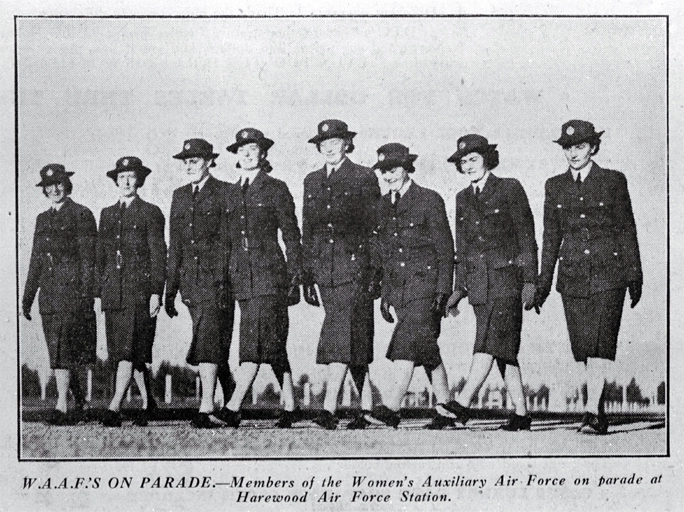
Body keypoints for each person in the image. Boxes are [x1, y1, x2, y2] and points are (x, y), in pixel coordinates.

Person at [535, 120, 642, 435]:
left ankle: (593, 412)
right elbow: (551, 237)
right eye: (568, 147)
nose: (573, 153)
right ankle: (595, 406)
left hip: (610, 275)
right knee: (583, 348)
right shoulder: (554, 185)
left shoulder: (612, 181)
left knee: (600, 344)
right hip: (572, 278)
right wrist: (543, 283)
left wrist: (634, 275)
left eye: (580, 146)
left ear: (593, 147)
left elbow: (626, 229)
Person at [445, 134, 538, 431]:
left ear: (487, 159)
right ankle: (522, 414)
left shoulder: (509, 188)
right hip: (480, 285)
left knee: (487, 343)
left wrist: (530, 281)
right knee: (502, 350)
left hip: (507, 281)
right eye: (463, 162)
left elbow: (526, 238)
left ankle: (461, 404)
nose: (468, 166)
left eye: (473, 159)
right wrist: (459, 288)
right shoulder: (462, 198)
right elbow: (463, 247)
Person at [214, 128, 302, 428]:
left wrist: (295, 274)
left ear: (263, 154)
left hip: (270, 276)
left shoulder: (276, 188)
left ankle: (233, 406)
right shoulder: (229, 192)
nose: (248, 154)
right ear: (236, 156)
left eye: (253, 149)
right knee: (272, 341)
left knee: (254, 341)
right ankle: (290, 405)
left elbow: (291, 234)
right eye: (242, 150)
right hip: (241, 276)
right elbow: (225, 239)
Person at [365, 143, 456, 429]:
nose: (388, 176)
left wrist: (444, 291)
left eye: (393, 169)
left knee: (406, 342)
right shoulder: (381, 205)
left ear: (407, 168)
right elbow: (387, 254)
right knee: (427, 350)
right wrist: (385, 294)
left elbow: (445, 249)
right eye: (383, 171)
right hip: (401, 291)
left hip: (427, 287)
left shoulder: (429, 199)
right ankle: (446, 409)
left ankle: (391, 408)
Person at [302, 119, 381, 430]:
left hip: (355, 269)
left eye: (335, 141)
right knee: (352, 337)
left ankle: (328, 408)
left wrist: (375, 271)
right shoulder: (311, 181)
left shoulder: (363, 176)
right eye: (324, 143)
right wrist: (307, 274)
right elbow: (309, 230)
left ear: (348, 143)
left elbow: (376, 228)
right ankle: (366, 408)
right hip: (326, 271)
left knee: (340, 336)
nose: (329, 147)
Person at [166, 139, 235, 428]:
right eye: (185, 161)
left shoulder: (225, 192)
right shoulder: (179, 195)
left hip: (217, 281)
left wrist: (222, 276)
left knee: (208, 339)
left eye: (195, 160)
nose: (189, 165)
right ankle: (231, 393)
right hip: (189, 284)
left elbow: (229, 239)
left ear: (209, 161)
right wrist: (170, 290)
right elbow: (176, 245)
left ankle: (206, 407)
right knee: (209, 339)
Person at [22, 164, 97, 425]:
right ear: (44, 189)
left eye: (59, 183)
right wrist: (28, 296)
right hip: (48, 295)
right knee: (58, 349)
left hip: (72, 292)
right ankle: (79, 404)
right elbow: (36, 259)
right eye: (49, 185)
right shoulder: (42, 218)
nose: (54, 189)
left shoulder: (81, 214)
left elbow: (89, 259)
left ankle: (62, 406)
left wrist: (87, 294)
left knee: (64, 347)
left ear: (67, 184)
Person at [97, 157, 166, 427]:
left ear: (140, 180)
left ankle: (114, 407)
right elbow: (101, 255)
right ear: (116, 180)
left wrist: (155, 292)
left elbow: (159, 254)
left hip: (138, 291)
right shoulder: (107, 214)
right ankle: (149, 402)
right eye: (122, 176)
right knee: (126, 351)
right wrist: (99, 289)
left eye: (131, 176)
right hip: (113, 291)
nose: (126, 181)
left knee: (128, 350)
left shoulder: (150, 212)